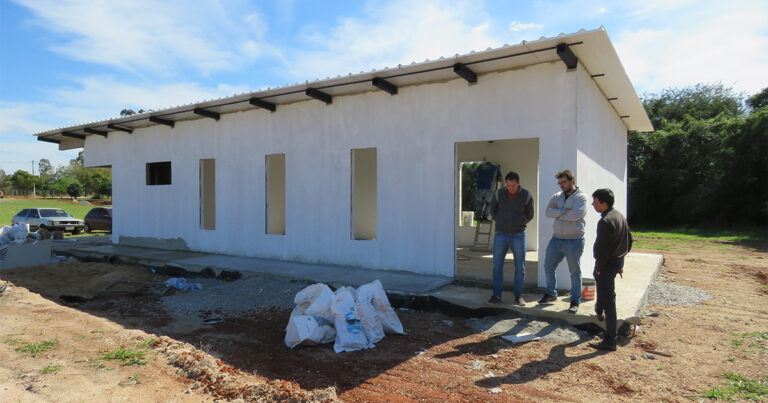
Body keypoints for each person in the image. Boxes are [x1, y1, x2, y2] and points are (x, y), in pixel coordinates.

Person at [538, 170, 589, 313]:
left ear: (572, 181)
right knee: (548, 265)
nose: (561, 185)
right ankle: (550, 294)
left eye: (564, 182)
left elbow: (577, 214)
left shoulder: (581, 197)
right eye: (559, 183)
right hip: (557, 238)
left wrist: (558, 213)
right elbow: (548, 212)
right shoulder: (557, 196)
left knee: (574, 271)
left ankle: (575, 301)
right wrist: (564, 211)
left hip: (574, 240)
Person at [589, 188, 633, 351]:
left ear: (604, 203)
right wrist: (620, 261)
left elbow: (603, 249)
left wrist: (600, 267)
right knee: (603, 292)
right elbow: (630, 240)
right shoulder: (619, 216)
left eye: (595, 202)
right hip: (614, 263)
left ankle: (610, 340)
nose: (593, 204)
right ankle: (599, 310)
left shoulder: (606, 221)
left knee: (609, 301)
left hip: (606, 265)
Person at [488, 171, 534, 305]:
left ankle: (518, 296)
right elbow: (493, 210)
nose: (511, 188)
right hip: (500, 234)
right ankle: (496, 295)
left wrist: (520, 223)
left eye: (513, 186)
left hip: (518, 235)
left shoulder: (526, 195)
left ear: (518, 184)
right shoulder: (498, 194)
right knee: (497, 266)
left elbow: (530, 214)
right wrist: (501, 222)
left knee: (520, 267)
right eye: (508, 185)